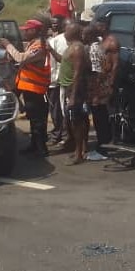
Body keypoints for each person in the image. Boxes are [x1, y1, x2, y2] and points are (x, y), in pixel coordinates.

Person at [0, 20, 50, 157]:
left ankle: (41, 149)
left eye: (27, 30)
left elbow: (21, 58)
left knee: (38, 121)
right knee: (33, 119)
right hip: (29, 88)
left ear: (35, 31)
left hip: (36, 89)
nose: (24, 32)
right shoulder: (34, 44)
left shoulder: (39, 45)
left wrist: (7, 45)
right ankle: (34, 146)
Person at [58, 22, 89, 165]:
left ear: (73, 33)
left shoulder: (77, 48)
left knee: (76, 122)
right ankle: (80, 150)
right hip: (68, 88)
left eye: (66, 30)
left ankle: (78, 154)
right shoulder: (71, 47)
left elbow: (77, 73)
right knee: (75, 121)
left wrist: (73, 96)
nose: (64, 32)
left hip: (74, 89)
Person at [86, 33, 120, 159]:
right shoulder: (98, 46)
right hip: (100, 87)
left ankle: (103, 149)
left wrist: (98, 91)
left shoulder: (97, 48)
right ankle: (104, 145)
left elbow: (99, 72)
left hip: (99, 89)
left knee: (100, 118)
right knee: (101, 117)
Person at [47, 16, 68, 146]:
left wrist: (52, 80)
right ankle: (60, 133)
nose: (54, 25)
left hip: (57, 80)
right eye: (52, 23)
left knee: (58, 110)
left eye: (56, 23)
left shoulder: (55, 41)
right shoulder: (55, 40)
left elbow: (54, 62)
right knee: (58, 109)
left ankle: (59, 134)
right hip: (58, 79)